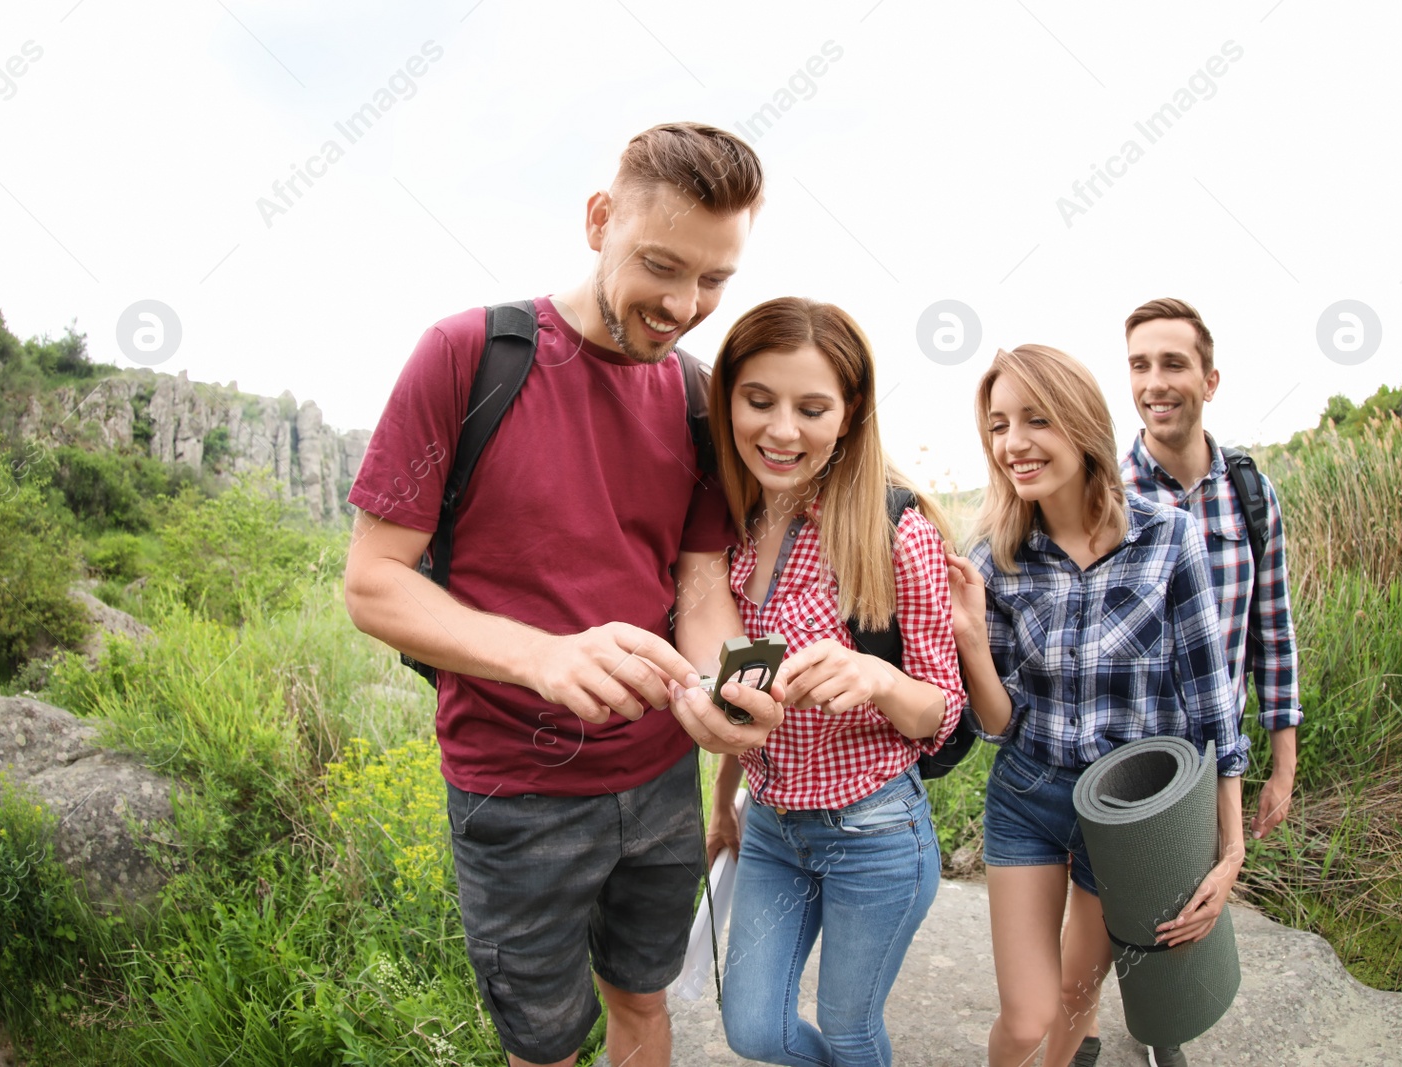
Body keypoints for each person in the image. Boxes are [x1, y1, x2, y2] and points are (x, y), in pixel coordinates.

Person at [342, 123, 784, 1067]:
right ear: (598, 220)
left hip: (662, 781)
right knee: (543, 1048)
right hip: (515, 792)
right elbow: (373, 583)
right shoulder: (469, 356)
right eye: (661, 264)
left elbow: (702, 591)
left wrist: (732, 688)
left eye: (713, 280)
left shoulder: (703, 399)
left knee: (645, 1004)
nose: (681, 305)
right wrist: (541, 655)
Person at [944, 344, 1247, 1067]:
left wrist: (1227, 847)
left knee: (1078, 1002)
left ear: (1081, 423)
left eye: (1036, 419)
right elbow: (998, 723)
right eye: (998, 425)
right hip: (1029, 797)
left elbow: (1213, 706)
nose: (1014, 443)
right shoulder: (992, 556)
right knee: (1027, 1018)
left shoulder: (1169, 539)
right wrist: (972, 646)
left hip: (1128, 814)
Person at [697, 297, 966, 1067]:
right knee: (753, 1027)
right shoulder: (731, 528)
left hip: (875, 833)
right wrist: (723, 803)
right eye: (759, 400)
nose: (783, 430)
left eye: (812, 408)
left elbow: (940, 715)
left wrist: (875, 674)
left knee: (850, 1031)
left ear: (847, 416)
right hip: (773, 830)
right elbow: (738, 685)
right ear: (729, 403)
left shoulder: (894, 530)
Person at [1065, 299, 1305, 1067]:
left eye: (1172, 363)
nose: (1154, 382)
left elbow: (1274, 629)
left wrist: (1283, 761)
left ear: (1210, 378)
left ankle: (1161, 1035)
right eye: (1139, 364)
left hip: (1208, 762)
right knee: (1099, 926)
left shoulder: (1248, 493)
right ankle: (1083, 1037)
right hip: (1121, 762)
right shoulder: (1105, 492)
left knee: (1182, 916)